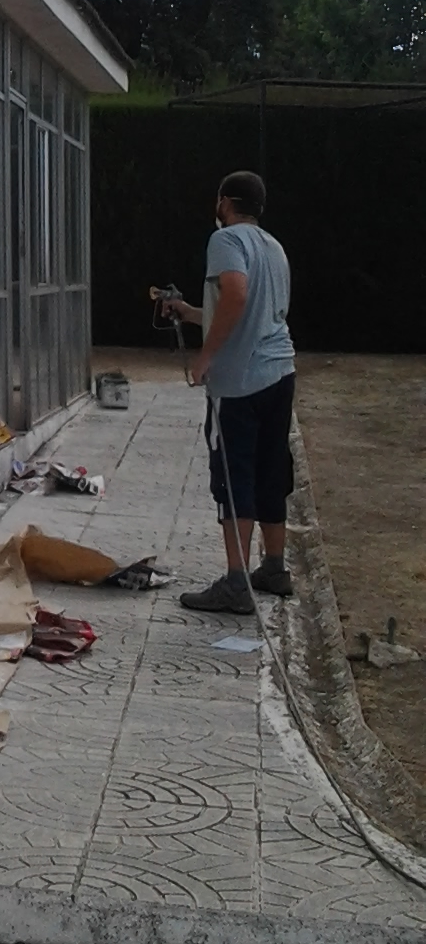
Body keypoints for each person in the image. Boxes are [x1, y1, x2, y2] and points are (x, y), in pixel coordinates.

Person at [161, 170, 296, 614]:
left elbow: (235, 296)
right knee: (271, 466)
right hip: (280, 371)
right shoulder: (273, 246)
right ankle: (273, 568)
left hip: (239, 382)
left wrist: (205, 358)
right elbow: (246, 309)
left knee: (234, 474)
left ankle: (237, 583)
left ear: (224, 201)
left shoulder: (225, 240)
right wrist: (189, 312)